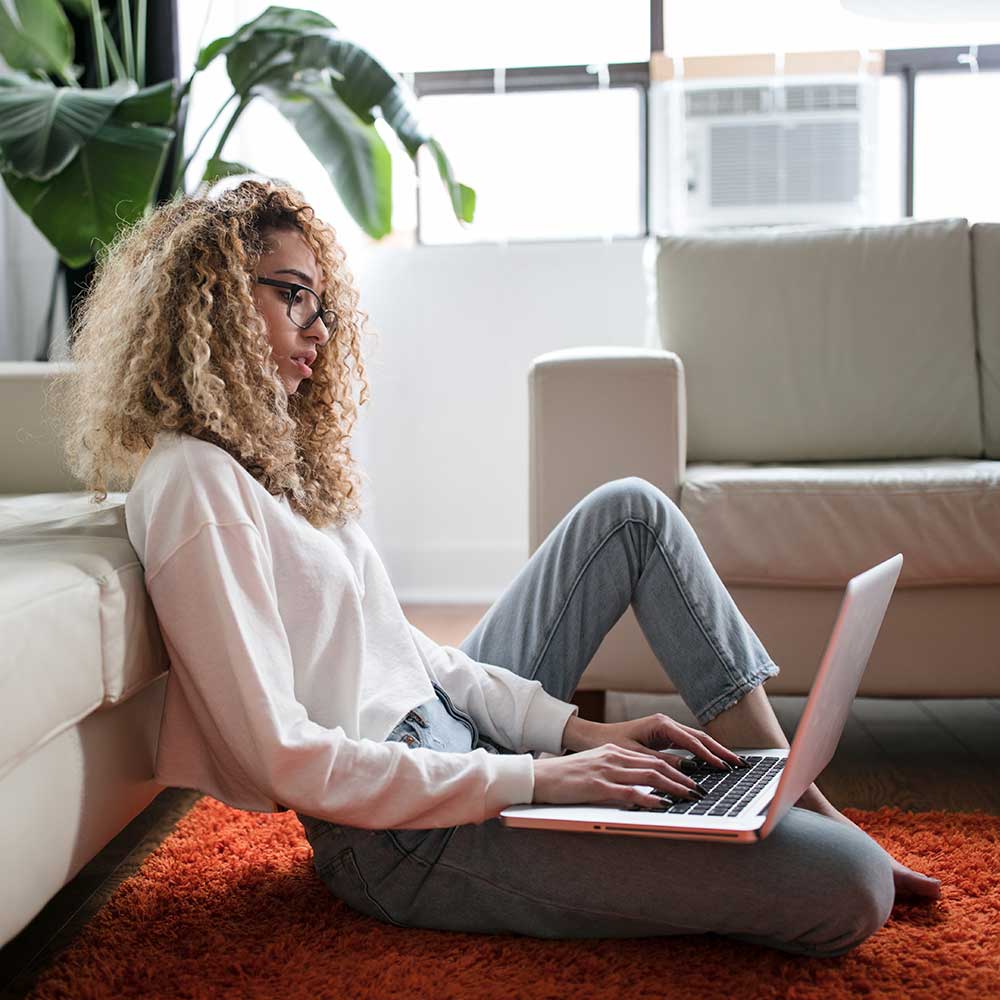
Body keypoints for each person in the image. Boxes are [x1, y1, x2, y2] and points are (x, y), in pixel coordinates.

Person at [49, 179, 940, 959]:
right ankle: (800, 826)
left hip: (453, 741)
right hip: (399, 838)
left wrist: (570, 735)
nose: (318, 329)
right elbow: (282, 756)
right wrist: (535, 778)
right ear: (209, 301)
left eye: (323, 303)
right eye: (294, 297)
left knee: (629, 510)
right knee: (851, 887)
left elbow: (410, 654)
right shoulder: (191, 486)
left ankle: (784, 788)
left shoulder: (277, 463)